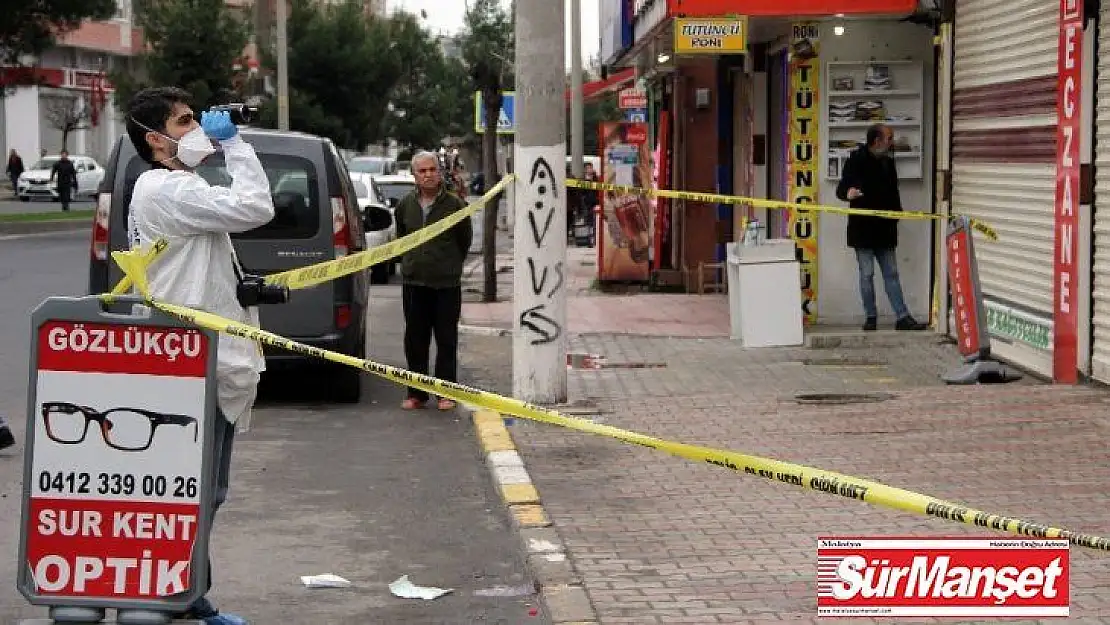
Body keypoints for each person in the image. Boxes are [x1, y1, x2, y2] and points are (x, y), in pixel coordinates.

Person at [125, 86, 275, 625]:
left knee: (202, 488)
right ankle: (178, 596)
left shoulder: (178, 186)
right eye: (185, 122)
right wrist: (235, 145)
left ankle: (185, 591)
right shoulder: (162, 190)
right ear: (154, 138)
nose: (197, 129)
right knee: (196, 489)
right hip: (190, 359)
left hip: (201, 353)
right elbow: (256, 206)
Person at [395, 150, 472, 411]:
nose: (428, 175)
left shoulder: (454, 205)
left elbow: (464, 240)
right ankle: (417, 393)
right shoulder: (405, 205)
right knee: (415, 339)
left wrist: (448, 265)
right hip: (414, 283)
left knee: (446, 339)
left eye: (432, 170)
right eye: (422, 171)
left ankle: (445, 392)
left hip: (446, 285)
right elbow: (401, 237)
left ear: (439, 173)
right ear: (414, 176)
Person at [836, 123, 926, 332]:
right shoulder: (856, 160)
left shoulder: (888, 162)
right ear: (876, 141)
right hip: (863, 230)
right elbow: (842, 188)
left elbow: (894, 192)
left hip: (885, 229)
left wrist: (896, 214)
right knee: (866, 275)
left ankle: (903, 317)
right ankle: (871, 317)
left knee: (891, 274)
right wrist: (848, 193)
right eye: (889, 138)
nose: (892, 142)